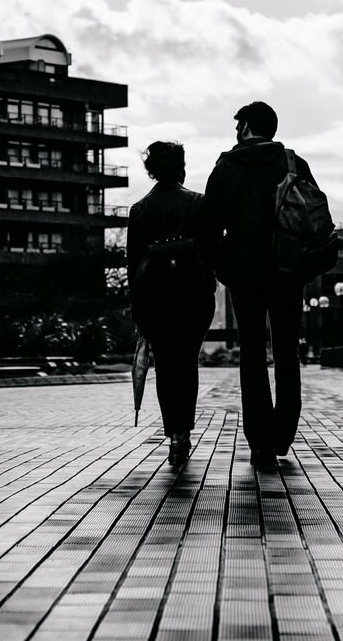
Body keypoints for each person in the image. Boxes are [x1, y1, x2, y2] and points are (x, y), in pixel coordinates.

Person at [202, 101, 320, 468]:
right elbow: (314, 218)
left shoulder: (227, 167)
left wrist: (223, 266)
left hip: (245, 274)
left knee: (252, 353)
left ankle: (260, 444)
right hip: (287, 271)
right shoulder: (293, 163)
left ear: (246, 126)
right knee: (287, 350)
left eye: (238, 125)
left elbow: (208, 228)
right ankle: (283, 433)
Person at [127, 141, 215, 469]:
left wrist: (138, 312)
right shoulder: (198, 204)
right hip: (194, 296)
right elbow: (211, 252)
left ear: (151, 171)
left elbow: (133, 266)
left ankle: (173, 435)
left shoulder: (140, 210)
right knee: (187, 363)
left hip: (155, 299)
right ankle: (184, 432)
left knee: (165, 366)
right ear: (181, 168)